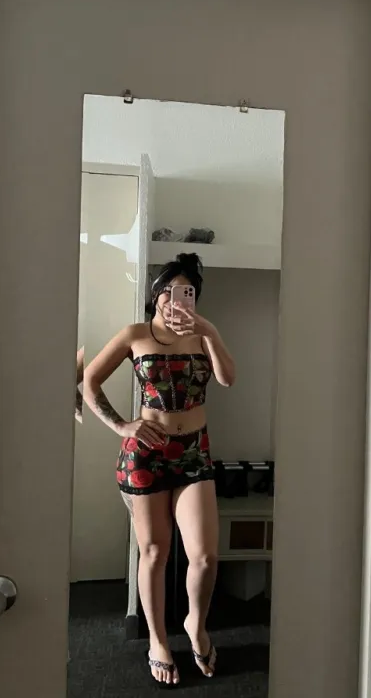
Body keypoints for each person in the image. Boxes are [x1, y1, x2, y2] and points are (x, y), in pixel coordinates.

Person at [82, 253, 235, 686]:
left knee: (204, 556)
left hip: (194, 453)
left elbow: (227, 378)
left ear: (194, 298)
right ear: (155, 295)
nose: (174, 299)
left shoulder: (202, 336)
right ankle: (158, 641)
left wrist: (210, 331)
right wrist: (122, 425)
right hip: (145, 456)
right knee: (153, 552)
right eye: (167, 291)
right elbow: (89, 380)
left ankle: (195, 624)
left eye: (184, 292)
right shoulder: (134, 335)